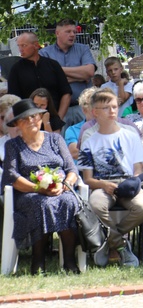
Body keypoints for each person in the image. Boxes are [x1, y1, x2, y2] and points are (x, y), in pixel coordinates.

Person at [1, 99, 80, 274]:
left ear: (40, 118)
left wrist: (65, 184)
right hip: (28, 193)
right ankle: (38, 260)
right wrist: (39, 188)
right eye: (25, 119)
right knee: (41, 204)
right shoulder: (12, 145)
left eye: (34, 116)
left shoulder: (55, 139)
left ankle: (69, 260)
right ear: (17, 124)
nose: (31, 121)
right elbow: (12, 177)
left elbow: (71, 168)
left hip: (60, 190)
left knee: (68, 202)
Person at [78, 89, 143, 267]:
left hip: (127, 183)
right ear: (95, 112)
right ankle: (122, 246)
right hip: (101, 185)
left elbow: (138, 168)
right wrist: (103, 184)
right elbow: (87, 178)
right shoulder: (89, 142)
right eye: (106, 108)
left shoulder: (131, 136)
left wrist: (130, 184)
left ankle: (107, 241)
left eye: (114, 107)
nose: (112, 111)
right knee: (96, 205)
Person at [38, 19, 97, 125]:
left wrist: (57, 70)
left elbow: (89, 72)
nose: (72, 35)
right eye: (68, 32)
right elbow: (48, 79)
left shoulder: (83, 49)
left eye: (74, 32)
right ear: (57, 33)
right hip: (59, 109)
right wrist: (80, 77)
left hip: (84, 107)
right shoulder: (44, 53)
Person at [7, 32, 72, 121]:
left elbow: (66, 92)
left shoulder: (53, 65)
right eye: (19, 46)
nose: (20, 49)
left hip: (54, 119)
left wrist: (59, 119)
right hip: (29, 121)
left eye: (24, 45)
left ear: (36, 45)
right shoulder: (16, 70)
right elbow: (13, 99)